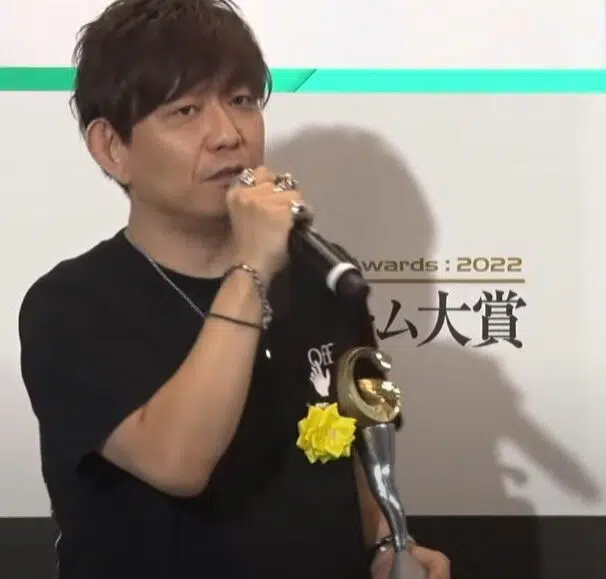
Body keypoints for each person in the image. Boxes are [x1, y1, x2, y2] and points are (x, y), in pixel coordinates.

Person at [18, 1, 451, 578]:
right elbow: (177, 462)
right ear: (112, 148)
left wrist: (381, 544)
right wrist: (250, 270)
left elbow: (354, 442)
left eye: (242, 101)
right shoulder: (70, 304)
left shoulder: (321, 275)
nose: (228, 135)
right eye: (185, 110)